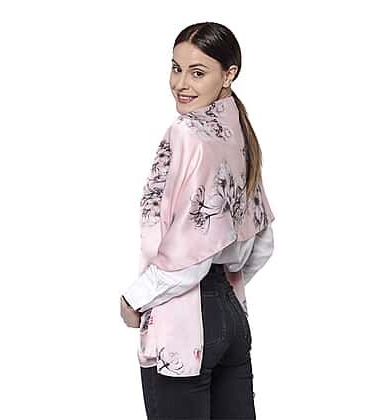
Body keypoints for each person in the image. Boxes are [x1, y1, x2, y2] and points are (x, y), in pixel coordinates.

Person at [120, 21, 275, 420]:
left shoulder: (188, 133)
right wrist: (223, 290)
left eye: (197, 72)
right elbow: (262, 242)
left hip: (184, 321)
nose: (181, 83)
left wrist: (135, 298)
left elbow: (190, 254)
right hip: (231, 318)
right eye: (176, 68)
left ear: (229, 74)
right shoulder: (238, 133)